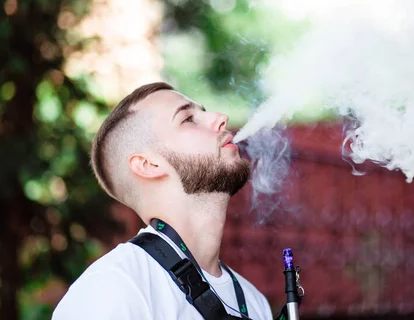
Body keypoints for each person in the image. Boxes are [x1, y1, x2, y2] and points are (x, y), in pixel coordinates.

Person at [52, 82, 273, 319]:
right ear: (148, 165)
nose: (220, 118)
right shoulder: (113, 288)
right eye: (188, 119)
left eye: (204, 111)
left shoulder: (254, 302)